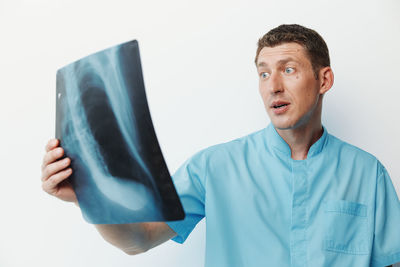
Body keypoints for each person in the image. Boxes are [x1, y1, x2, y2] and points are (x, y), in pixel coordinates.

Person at [41, 24, 400, 267]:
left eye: (288, 69)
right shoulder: (214, 167)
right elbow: (138, 239)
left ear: (324, 79)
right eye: (263, 73)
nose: (273, 85)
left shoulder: (369, 174)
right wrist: (90, 195)